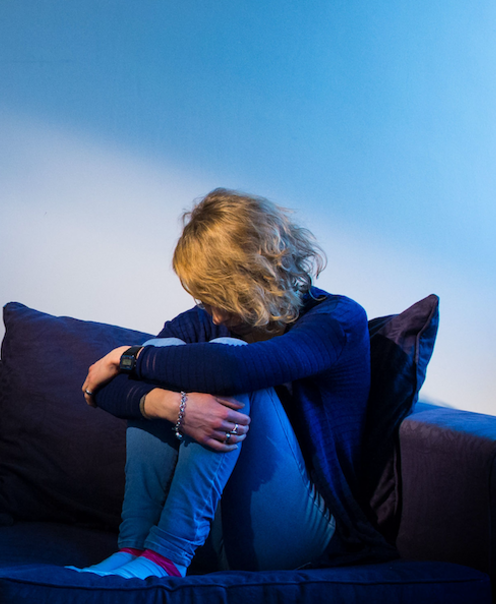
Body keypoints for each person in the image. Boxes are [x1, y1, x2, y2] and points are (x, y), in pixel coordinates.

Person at [70, 188, 387, 580]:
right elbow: (107, 389)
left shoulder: (338, 320)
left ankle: (165, 558)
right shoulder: (215, 316)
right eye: (208, 300)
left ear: (261, 279)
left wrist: (126, 356)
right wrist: (171, 407)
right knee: (165, 349)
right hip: (222, 528)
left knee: (224, 352)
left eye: (224, 297)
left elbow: (233, 370)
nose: (216, 314)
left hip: (307, 531)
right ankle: (134, 549)